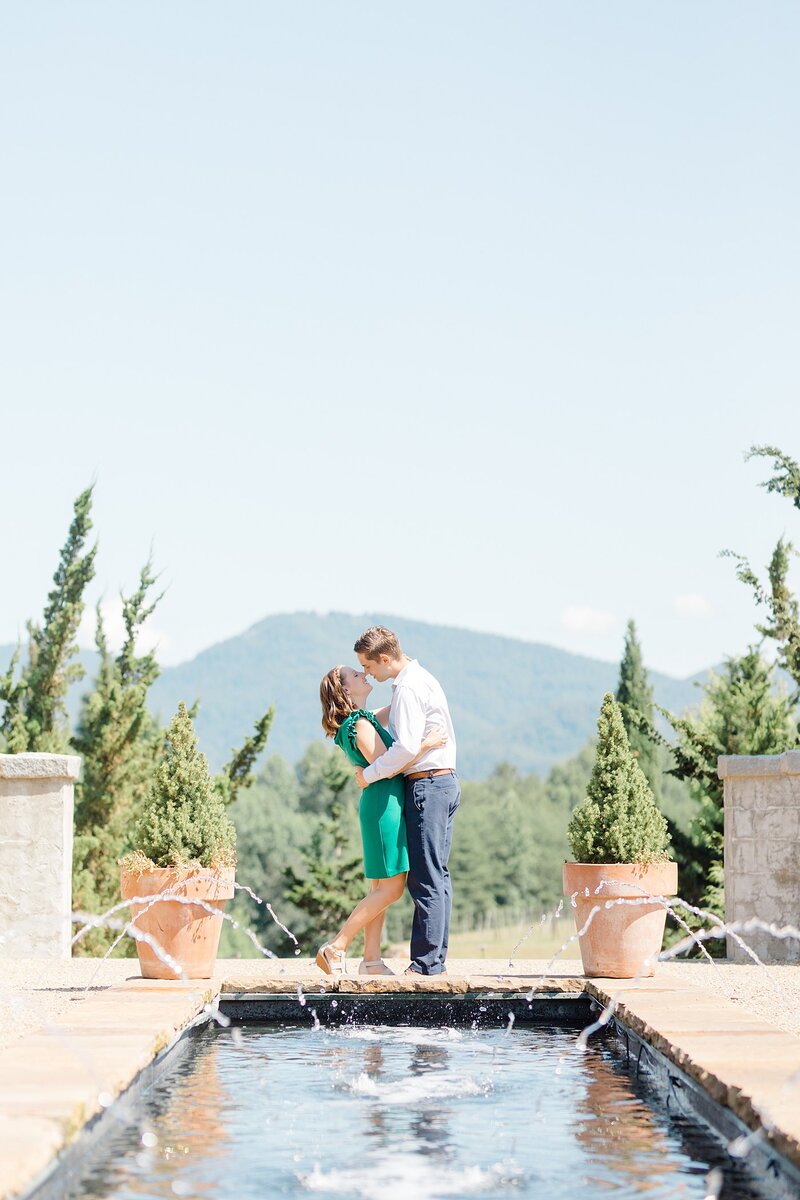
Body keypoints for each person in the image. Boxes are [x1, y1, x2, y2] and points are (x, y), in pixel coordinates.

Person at [316, 664, 447, 976]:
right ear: (346, 690)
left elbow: (396, 706)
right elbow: (390, 764)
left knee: (378, 888)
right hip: (384, 807)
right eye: (356, 675)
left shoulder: (359, 720)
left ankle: (371, 960)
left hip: (379, 804)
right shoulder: (359, 724)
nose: (364, 675)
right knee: (391, 890)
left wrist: (409, 682)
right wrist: (426, 744)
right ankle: (336, 947)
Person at [353, 626, 458, 977]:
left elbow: (406, 748)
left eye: (369, 667)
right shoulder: (416, 680)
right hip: (440, 783)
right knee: (435, 873)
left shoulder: (409, 687)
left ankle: (426, 964)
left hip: (428, 785)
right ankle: (434, 961)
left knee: (426, 877)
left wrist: (367, 776)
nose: (368, 673)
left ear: (385, 659)